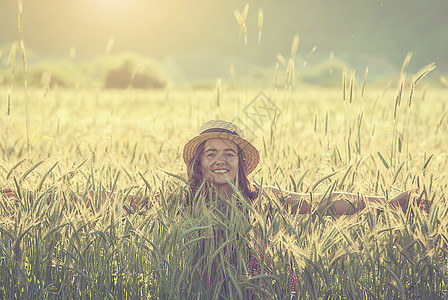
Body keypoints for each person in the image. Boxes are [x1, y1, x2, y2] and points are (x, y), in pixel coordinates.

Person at [183, 119, 420, 216]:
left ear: (241, 163)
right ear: (200, 162)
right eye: (211, 153)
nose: (220, 160)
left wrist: (391, 204)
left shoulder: (262, 198)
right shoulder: (185, 202)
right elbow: (145, 203)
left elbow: (325, 201)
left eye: (229, 154)